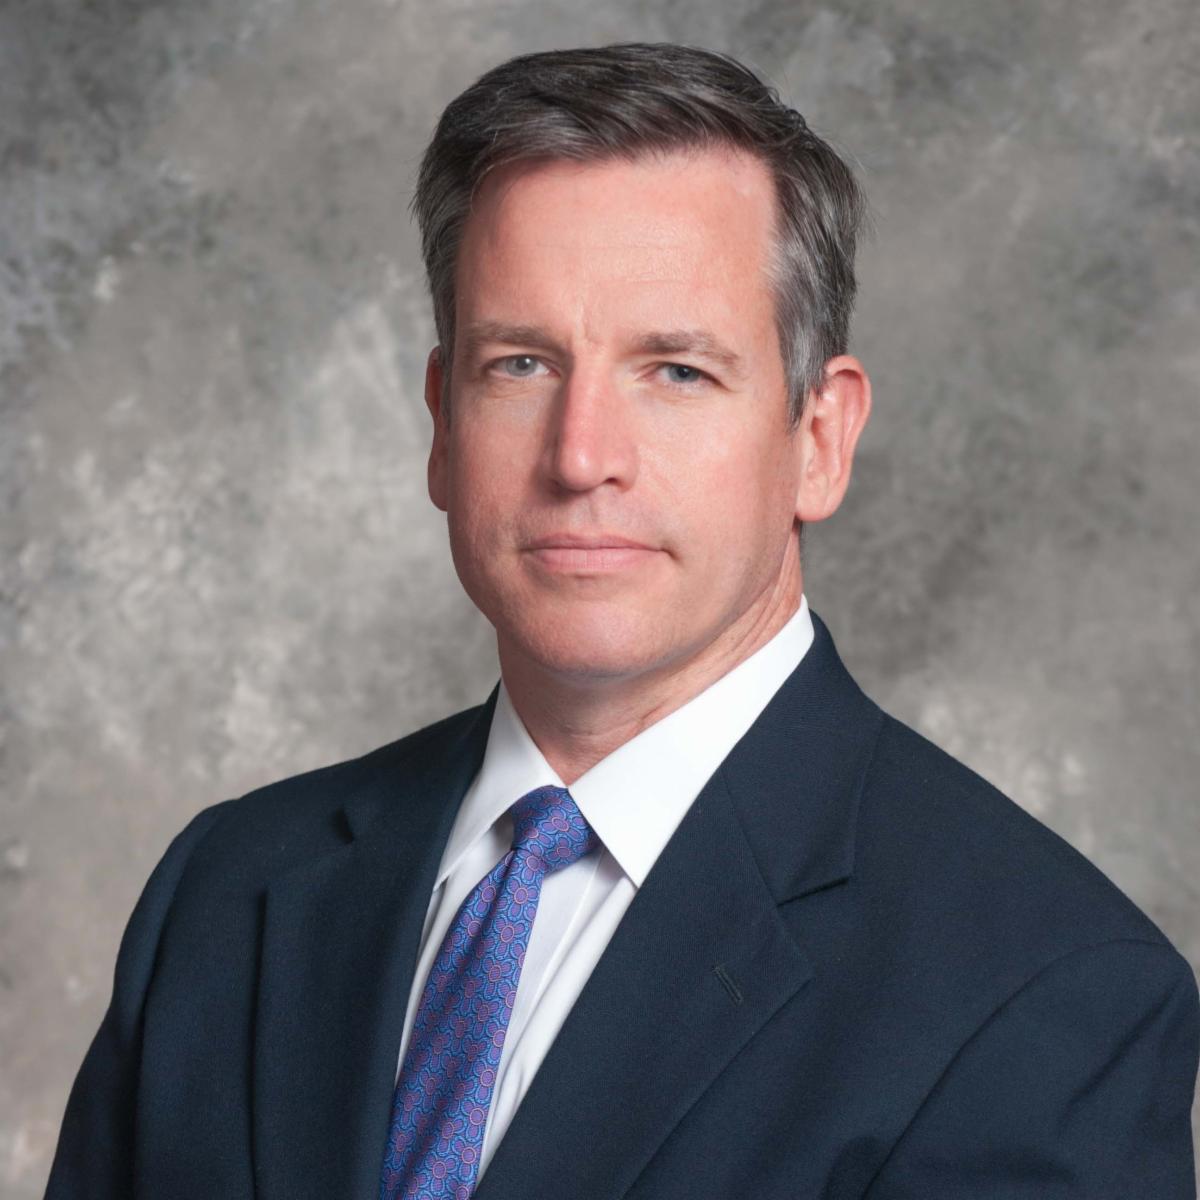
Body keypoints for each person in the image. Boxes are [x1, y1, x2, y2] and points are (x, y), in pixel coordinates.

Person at [45, 42, 1198, 1200]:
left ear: (820, 439)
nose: (582, 455)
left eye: (677, 371)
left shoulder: (1043, 995)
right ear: (443, 424)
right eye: (522, 365)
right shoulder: (228, 891)